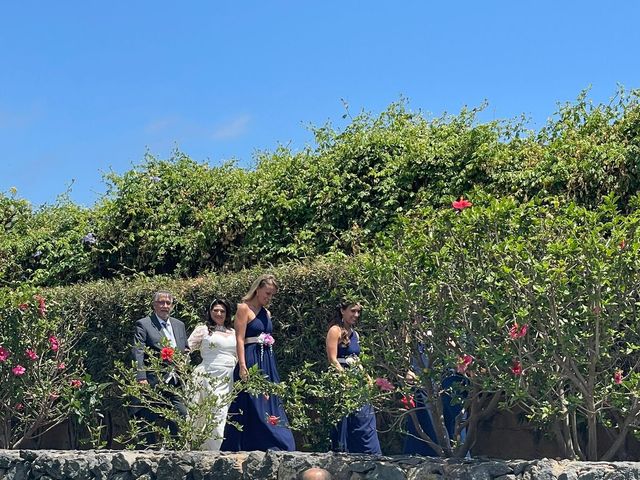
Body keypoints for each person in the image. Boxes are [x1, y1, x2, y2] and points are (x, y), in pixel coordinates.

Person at [221, 274, 296, 451]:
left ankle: (273, 440)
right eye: (267, 293)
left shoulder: (267, 313)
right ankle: (246, 443)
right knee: (251, 400)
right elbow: (239, 339)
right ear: (257, 289)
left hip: (267, 360)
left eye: (272, 295)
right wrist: (243, 365)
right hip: (251, 358)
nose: (269, 298)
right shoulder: (243, 308)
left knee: (269, 398)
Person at [131, 291, 189, 444]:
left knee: (180, 417)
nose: (164, 306)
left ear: (172, 306)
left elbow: (185, 349)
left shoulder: (179, 325)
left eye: (168, 303)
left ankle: (178, 453)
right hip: (153, 381)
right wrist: (141, 376)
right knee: (147, 421)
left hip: (175, 382)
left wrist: (184, 362)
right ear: (154, 305)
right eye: (161, 303)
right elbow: (138, 350)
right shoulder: (144, 324)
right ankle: (144, 456)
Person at [326, 299, 381, 454]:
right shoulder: (335, 331)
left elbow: (357, 359)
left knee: (364, 415)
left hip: (356, 377)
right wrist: (345, 379)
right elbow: (332, 359)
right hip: (342, 378)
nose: (356, 315)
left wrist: (367, 377)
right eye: (352, 311)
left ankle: (368, 452)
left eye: (358, 312)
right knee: (346, 417)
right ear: (343, 311)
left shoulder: (355, 334)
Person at [187, 298, 237, 451]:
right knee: (215, 411)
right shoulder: (203, 329)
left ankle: (223, 447)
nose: (219, 313)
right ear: (210, 312)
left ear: (227, 313)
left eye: (222, 311)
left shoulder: (234, 332)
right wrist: (180, 368)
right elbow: (186, 349)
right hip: (209, 376)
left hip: (229, 377)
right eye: (215, 310)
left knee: (227, 412)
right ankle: (214, 450)